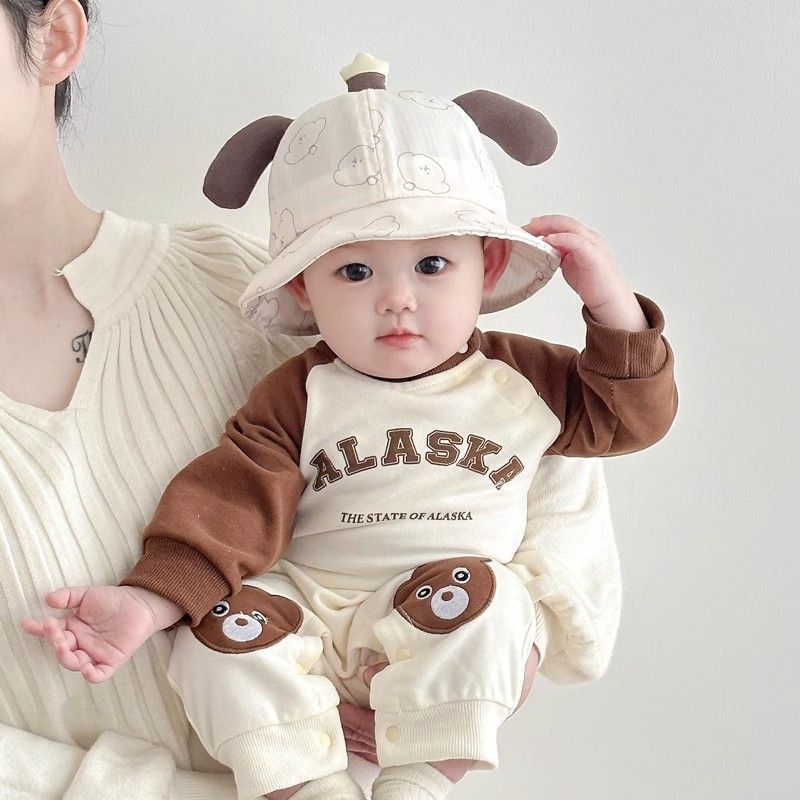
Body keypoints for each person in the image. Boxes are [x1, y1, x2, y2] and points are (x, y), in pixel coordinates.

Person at [22, 53, 677, 800]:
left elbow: (629, 418)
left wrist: (611, 307)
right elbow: (231, 502)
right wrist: (149, 602)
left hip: (442, 609)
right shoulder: (303, 392)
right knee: (215, 635)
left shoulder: (523, 378)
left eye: (433, 265)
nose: (397, 299)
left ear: (489, 266)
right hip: (311, 613)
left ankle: (418, 782)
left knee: (499, 606)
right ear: (305, 286)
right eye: (356, 272)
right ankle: (307, 786)